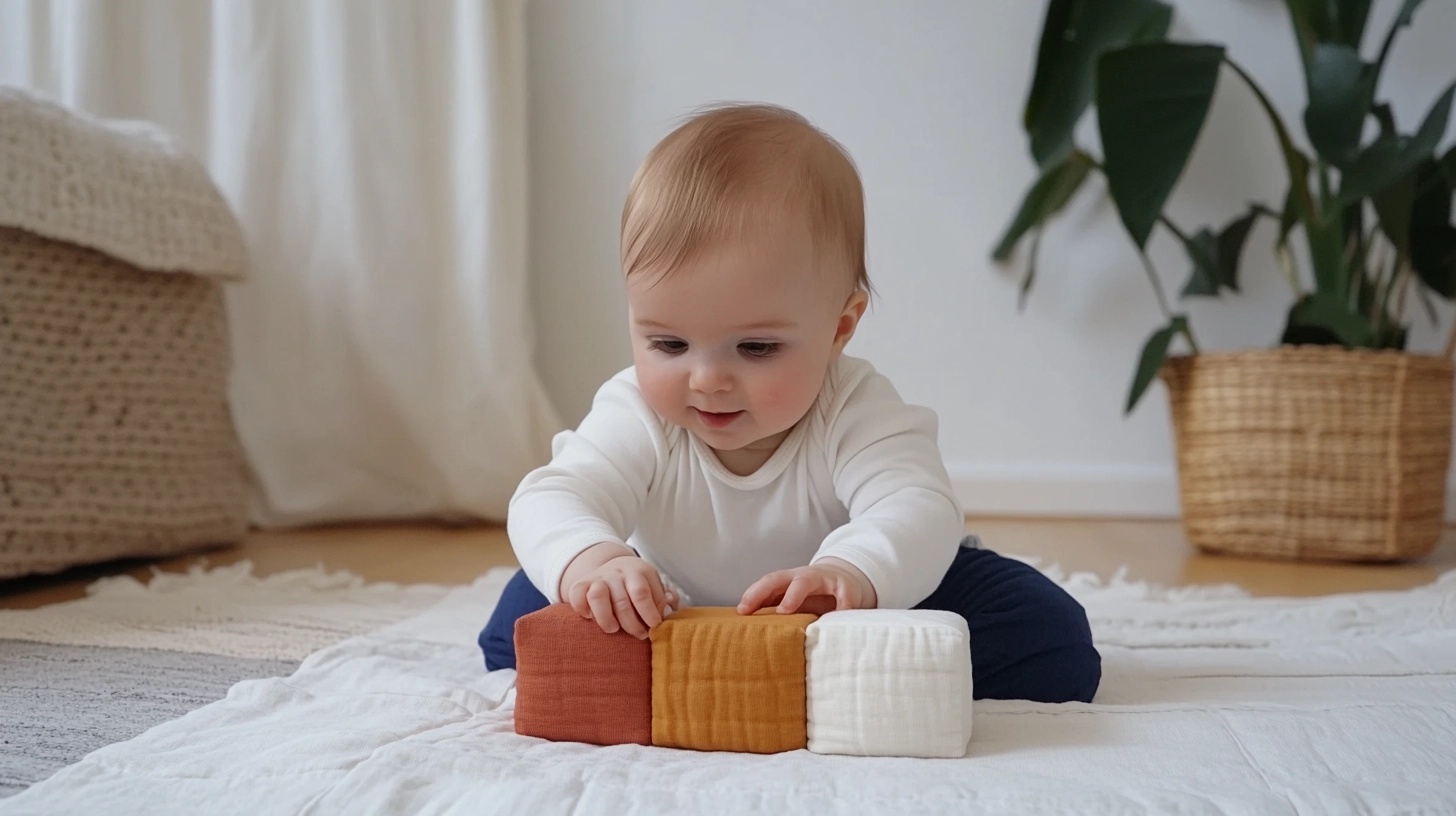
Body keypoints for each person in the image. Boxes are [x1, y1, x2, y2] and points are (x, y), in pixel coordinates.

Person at [479, 103, 1100, 703]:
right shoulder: (638, 411)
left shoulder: (855, 407)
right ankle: (781, 674)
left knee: (1051, 637)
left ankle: (789, 668)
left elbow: (918, 507)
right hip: (671, 601)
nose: (707, 380)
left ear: (839, 327)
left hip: (846, 609)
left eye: (754, 347)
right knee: (516, 625)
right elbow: (553, 496)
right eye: (667, 342)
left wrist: (853, 573)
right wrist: (595, 561)